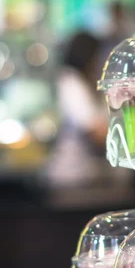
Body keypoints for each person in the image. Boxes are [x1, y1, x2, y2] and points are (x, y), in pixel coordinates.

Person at [45, 31, 108, 186]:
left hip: (87, 173)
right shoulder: (70, 81)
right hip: (72, 176)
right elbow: (95, 130)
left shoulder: (86, 80)